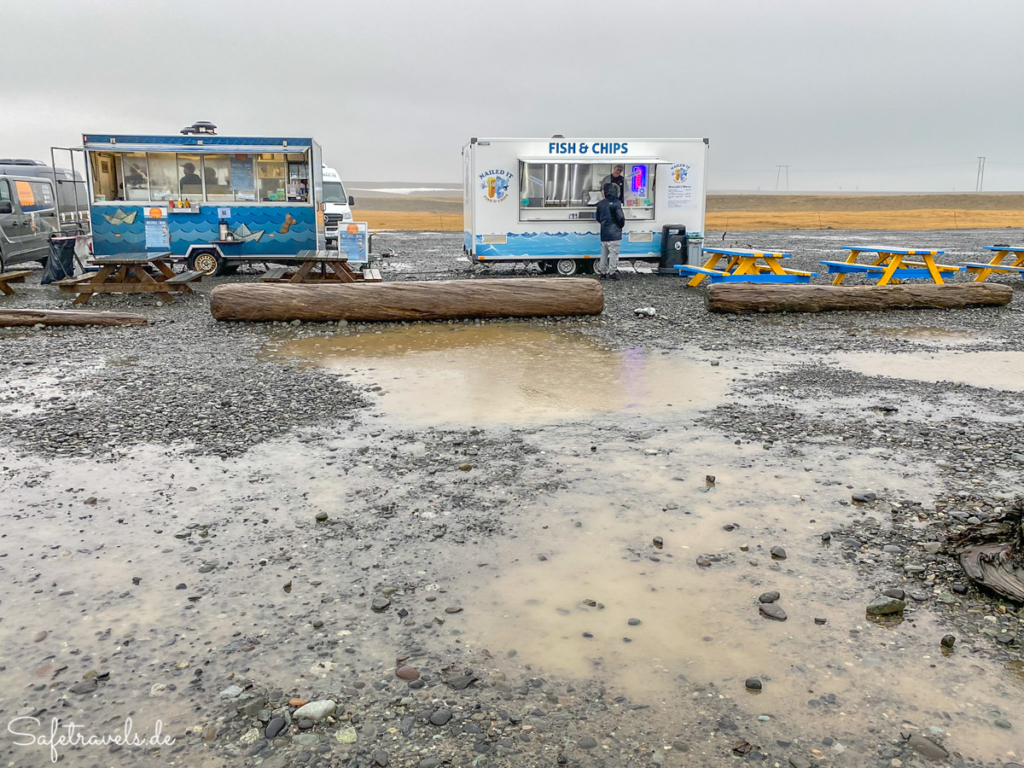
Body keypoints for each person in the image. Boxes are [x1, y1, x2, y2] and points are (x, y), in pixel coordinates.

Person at [596, 183, 625, 278]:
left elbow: (598, 218)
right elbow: (620, 218)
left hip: (604, 232)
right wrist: (620, 226)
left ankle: (602, 273)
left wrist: (604, 224)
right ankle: (612, 273)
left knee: (604, 254)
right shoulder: (617, 203)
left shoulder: (600, 203)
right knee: (613, 254)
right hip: (614, 233)